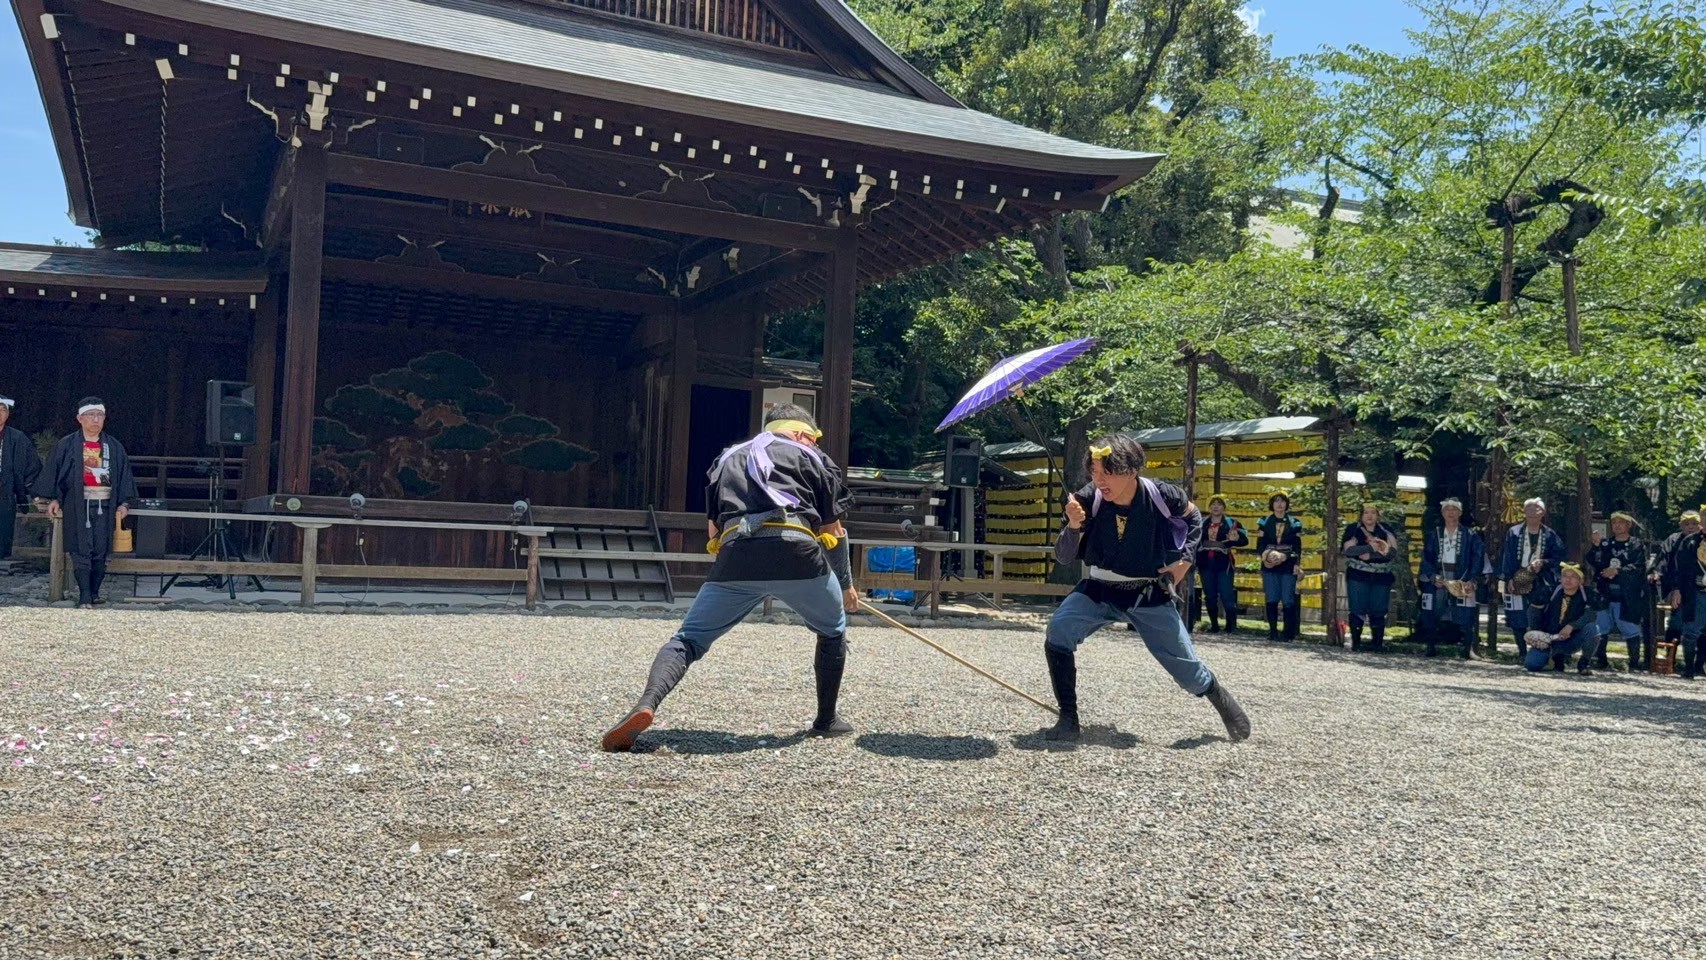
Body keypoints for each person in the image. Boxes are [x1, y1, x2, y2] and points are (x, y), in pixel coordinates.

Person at [600, 406, 856, 751]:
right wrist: (845, 585)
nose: (814, 443)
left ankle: (646, 704)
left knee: (688, 639)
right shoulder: (811, 456)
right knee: (832, 630)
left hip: (738, 553)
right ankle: (826, 721)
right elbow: (833, 530)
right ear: (799, 434)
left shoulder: (727, 458)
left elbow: (714, 532)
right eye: (812, 438)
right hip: (798, 553)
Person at [1040, 433, 1249, 743]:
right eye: (1094, 472)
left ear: (1132, 469)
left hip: (1148, 592)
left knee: (1187, 672)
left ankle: (1216, 693)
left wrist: (1184, 562)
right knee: (1059, 629)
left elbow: (1194, 517)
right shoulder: (1085, 500)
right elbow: (1063, 555)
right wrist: (1073, 525)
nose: (1099, 480)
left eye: (1107, 472)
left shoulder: (1162, 495)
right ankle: (1068, 718)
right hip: (1099, 587)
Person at [35, 398, 137, 608]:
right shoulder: (66, 445)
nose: (95, 420)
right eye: (91, 415)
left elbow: (124, 477)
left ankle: (94, 592)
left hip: (105, 505)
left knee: (101, 550)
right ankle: (84, 596)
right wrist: (53, 499)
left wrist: (124, 504)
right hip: (77, 504)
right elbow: (55, 473)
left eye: (100, 415)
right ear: (79, 419)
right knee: (81, 549)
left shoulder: (113, 446)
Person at [1498, 498, 1566, 657]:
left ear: (1543, 512)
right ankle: (1522, 652)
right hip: (1517, 578)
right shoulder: (1514, 532)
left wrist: (1544, 562)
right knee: (1517, 615)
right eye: (1528, 508)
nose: (1532, 511)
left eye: (1536, 508)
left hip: (1540, 581)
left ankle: (1539, 652)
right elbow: (1507, 556)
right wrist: (1508, 578)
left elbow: (1559, 557)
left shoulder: (1550, 534)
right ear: (1524, 511)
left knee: (1539, 616)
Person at [1418, 498, 1485, 659]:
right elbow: (1427, 557)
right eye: (1447, 510)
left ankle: (1467, 648)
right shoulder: (1435, 534)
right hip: (1440, 576)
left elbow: (1477, 557)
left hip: (1462, 576)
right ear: (1442, 513)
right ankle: (1430, 646)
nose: (1450, 513)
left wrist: (1472, 579)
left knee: (1466, 612)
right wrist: (1433, 576)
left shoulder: (1470, 535)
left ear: (1459, 513)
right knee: (1433, 609)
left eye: (1454, 509)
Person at [1586, 512, 1649, 671]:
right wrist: (1595, 546)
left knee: (1629, 628)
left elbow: (1639, 567)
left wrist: (1618, 571)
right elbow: (1594, 561)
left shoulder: (1636, 544)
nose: (1617, 525)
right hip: (1605, 592)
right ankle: (1600, 660)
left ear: (1629, 525)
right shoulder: (1606, 544)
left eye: (1621, 522)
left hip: (1626, 594)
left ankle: (1634, 663)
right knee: (1601, 626)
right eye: (1614, 522)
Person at [1522, 564, 1600, 674]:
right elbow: (1533, 611)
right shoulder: (1550, 591)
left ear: (1580, 580)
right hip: (1549, 638)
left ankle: (1584, 663)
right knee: (1531, 664)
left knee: (1592, 629)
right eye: (1565, 576)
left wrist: (1572, 626)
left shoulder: (1588, 594)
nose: (1568, 579)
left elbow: (1590, 615)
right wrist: (1536, 633)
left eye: (1573, 576)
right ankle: (1555, 659)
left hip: (1573, 638)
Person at [1341, 502, 1399, 651]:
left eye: (1373, 512)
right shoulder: (1354, 529)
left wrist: (1371, 555)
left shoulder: (1385, 530)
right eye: (1366, 512)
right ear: (1361, 515)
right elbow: (1348, 550)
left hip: (1381, 576)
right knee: (1357, 608)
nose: (1369, 516)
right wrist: (1369, 547)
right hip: (1358, 574)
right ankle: (1356, 643)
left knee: (1378, 609)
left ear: (1378, 515)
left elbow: (1392, 551)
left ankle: (1377, 644)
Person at [1661, 509, 1706, 680]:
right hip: (1695, 592)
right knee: (1690, 632)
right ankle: (1689, 669)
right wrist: (1677, 589)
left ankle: (1700, 666)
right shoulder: (1690, 541)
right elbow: (1678, 569)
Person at [0, 393, 44, 561]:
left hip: (4, 495)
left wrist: (35, 493)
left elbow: (32, 468)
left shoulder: (17, 438)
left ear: (8, 414)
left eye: (2, 410)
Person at [1195, 496, 1248, 633]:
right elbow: (1194, 540)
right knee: (1210, 595)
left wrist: (1236, 538)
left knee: (1227, 594)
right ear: (1209, 507)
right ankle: (1214, 625)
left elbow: (1244, 540)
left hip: (1224, 564)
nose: (1216, 507)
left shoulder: (1232, 523)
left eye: (1219, 504)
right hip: (1205, 563)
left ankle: (1231, 626)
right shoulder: (1201, 522)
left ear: (1224, 507)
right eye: (1213, 504)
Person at [1255, 493, 1304, 642]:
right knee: (1272, 598)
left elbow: (1297, 547)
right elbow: (1260, 544)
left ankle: (1288, 633)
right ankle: (1273, 632)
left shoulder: (1295, 522)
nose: (1280, 504)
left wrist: (1291, 559)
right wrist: (1266, 557)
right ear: (1272, 504)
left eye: (1283, 501)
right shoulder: (1264, 521)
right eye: (1276, 501)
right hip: (1269, 564)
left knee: (1288, 599)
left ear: (1287, 504)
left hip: (1288, 564)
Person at [1651, 510, 1701, 652]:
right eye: (1687, 523)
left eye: (1694, 523)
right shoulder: (1673, 540)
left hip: (1699, 588)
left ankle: (1697, 662)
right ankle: (1670, 658)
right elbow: (1662, 560)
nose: (1690, 527)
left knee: (1700, 626)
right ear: (1680, 525)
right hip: (1677, 587)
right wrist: (1656, 573)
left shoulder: (1702, 540)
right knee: (1676, 624)